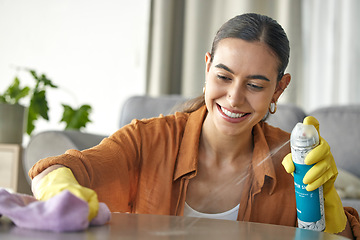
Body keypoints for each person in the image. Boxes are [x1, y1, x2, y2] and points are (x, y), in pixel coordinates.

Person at [30, 13, 359, 238]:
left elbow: (342, 236)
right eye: (223, 76)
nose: (233, 97)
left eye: (255, 86)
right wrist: (61, 190)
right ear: (207, 67)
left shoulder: (296, 165)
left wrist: (324, 199)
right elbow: (58, 169)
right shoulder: (149, 140)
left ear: (279, 88)